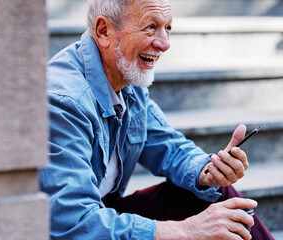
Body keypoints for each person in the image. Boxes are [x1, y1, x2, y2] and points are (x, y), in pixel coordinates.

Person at [39, 0, 274, 239]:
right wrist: (188, 230)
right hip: (69, 228)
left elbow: (167, 145)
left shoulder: (127, 75)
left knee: (215, 193)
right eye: (150, 27)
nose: (164, 43)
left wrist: (208, 171)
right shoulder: (65, 101)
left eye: (167, 28)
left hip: (102, 213)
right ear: (104, 31)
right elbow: (72, 223)